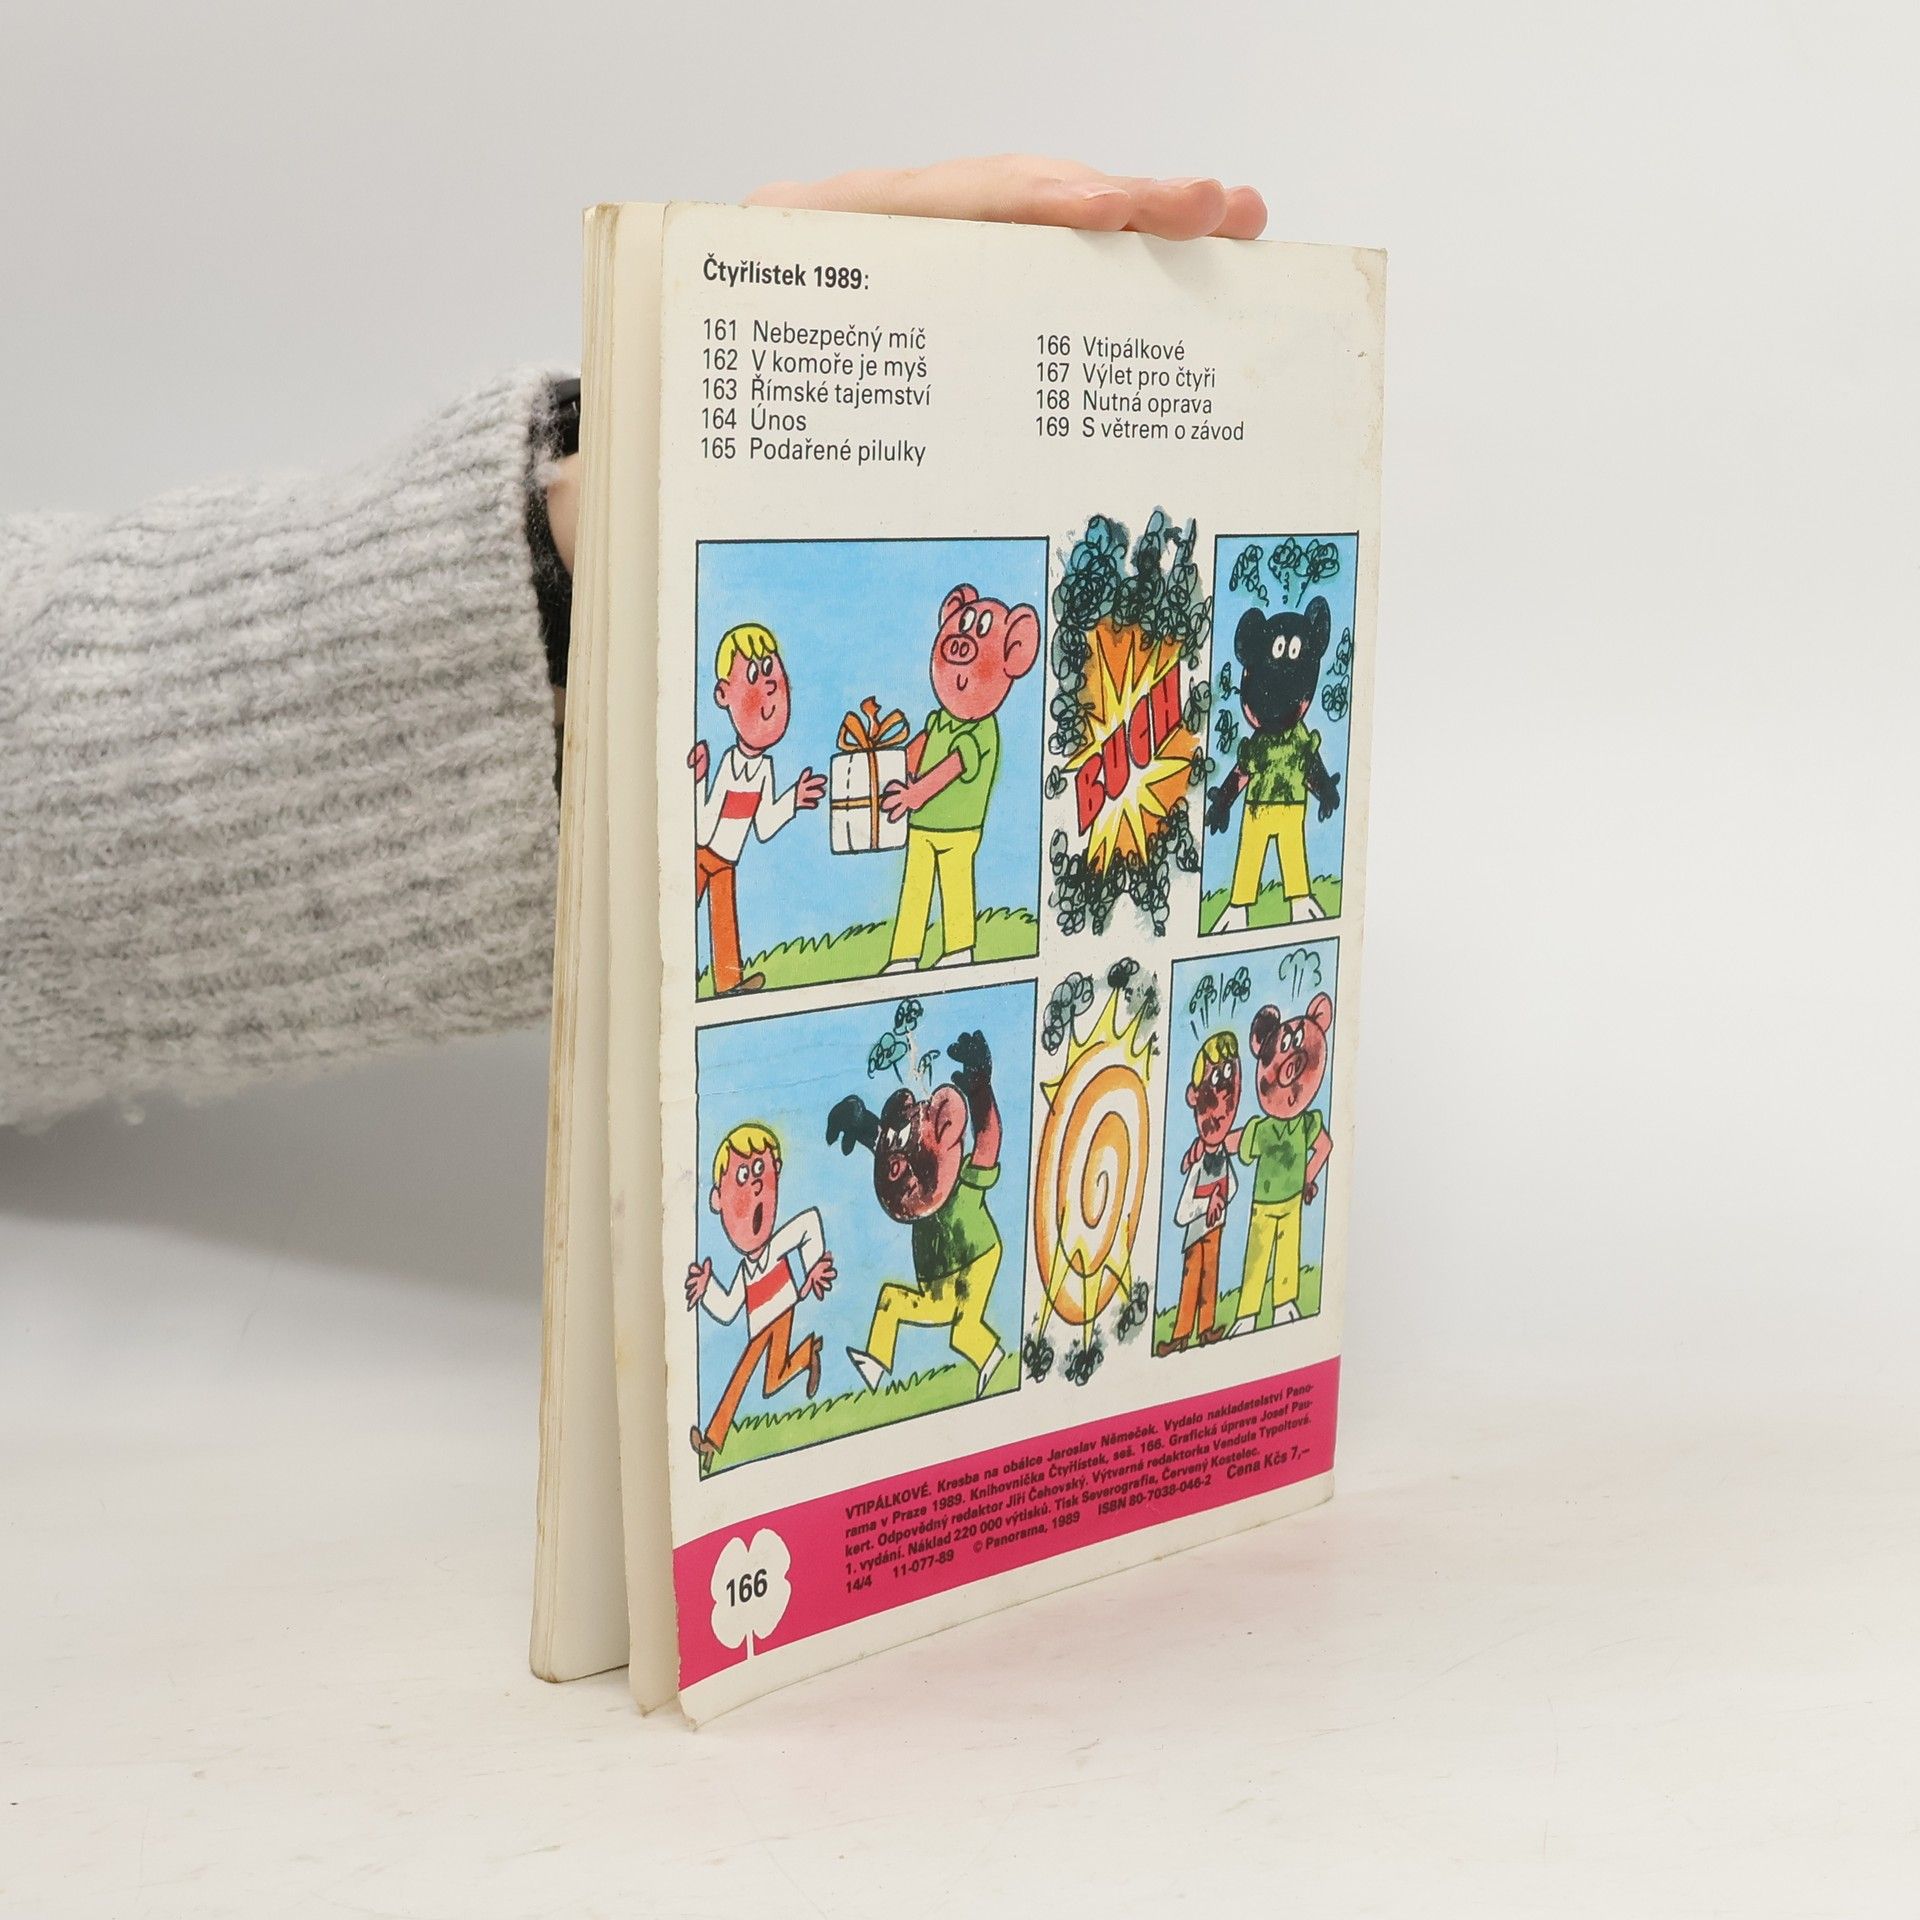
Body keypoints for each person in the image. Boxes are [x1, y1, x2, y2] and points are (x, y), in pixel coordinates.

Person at [0, 159, 1267, 1129]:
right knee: (842, 908)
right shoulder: (890, 720)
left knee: (893, 902)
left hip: (835, 826)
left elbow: (930, 773)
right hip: (757, 836)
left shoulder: (957, 727)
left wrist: (558, 571)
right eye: (751, 679)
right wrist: (549, 616)